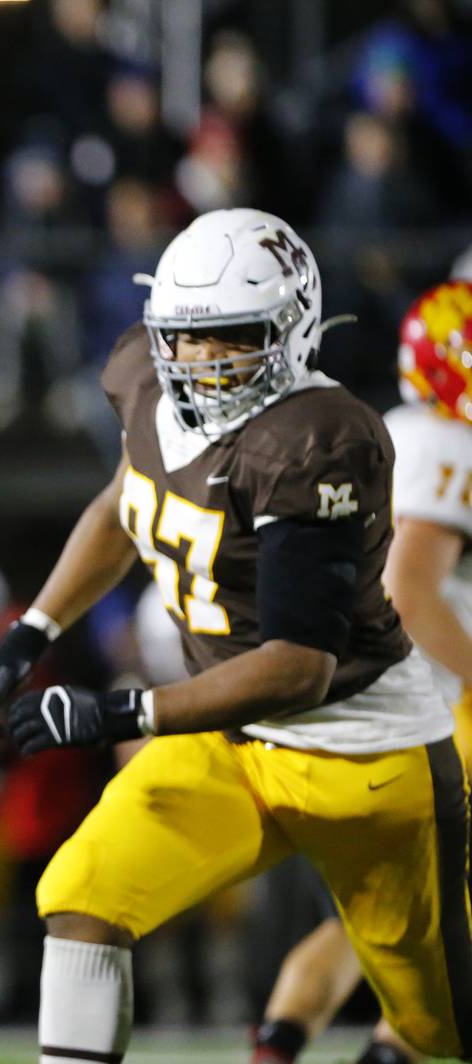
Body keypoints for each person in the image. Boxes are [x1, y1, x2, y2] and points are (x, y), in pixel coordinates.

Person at [0, 208, 470, 1063]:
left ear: (293, 327)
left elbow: (297, 669)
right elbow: (127, 501)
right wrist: (33, 632)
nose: (201, 362)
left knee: (443, 1027)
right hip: (227, 739)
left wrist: (117, 713)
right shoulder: (145, 379)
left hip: (361, 756)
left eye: (231, 338)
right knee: (84, 893)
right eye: (185, 338)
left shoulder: (317, 440)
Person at [249, 278, 472, 1064]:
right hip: (417, 715)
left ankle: (278, 1044)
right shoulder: (448, 445)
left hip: (342, 701)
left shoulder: (391, 427)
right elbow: (409, 591)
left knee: (374, 916)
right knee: (445, 917)